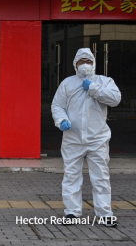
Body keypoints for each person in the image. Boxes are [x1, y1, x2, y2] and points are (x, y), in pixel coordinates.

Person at [51, 48, 121, 227]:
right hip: (72, 138)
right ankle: (72, 212)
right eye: (81, 61)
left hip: (98, 138)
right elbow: (57, 105)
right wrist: (62, 120)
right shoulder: (67, 83)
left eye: (88, 61)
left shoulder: (104, 81)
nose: (85, 64)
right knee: (71, 175)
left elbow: (115, 99)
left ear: (94, 64)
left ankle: (105, 213)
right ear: (75, 64)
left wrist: (93, 88)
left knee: (101, 177)